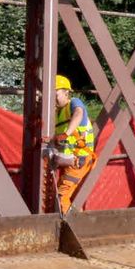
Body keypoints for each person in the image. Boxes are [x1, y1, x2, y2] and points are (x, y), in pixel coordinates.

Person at [46, 75, 96, 213]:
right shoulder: (57, 113)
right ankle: (76, 221)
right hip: (69, 160)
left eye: (55, 94)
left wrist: (66, 133)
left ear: (66, 92)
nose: (53, 99)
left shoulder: (74, 102)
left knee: (62, 195)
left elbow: (78, 114)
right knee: (68, 197)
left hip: (79, 159)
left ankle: (69, 226)